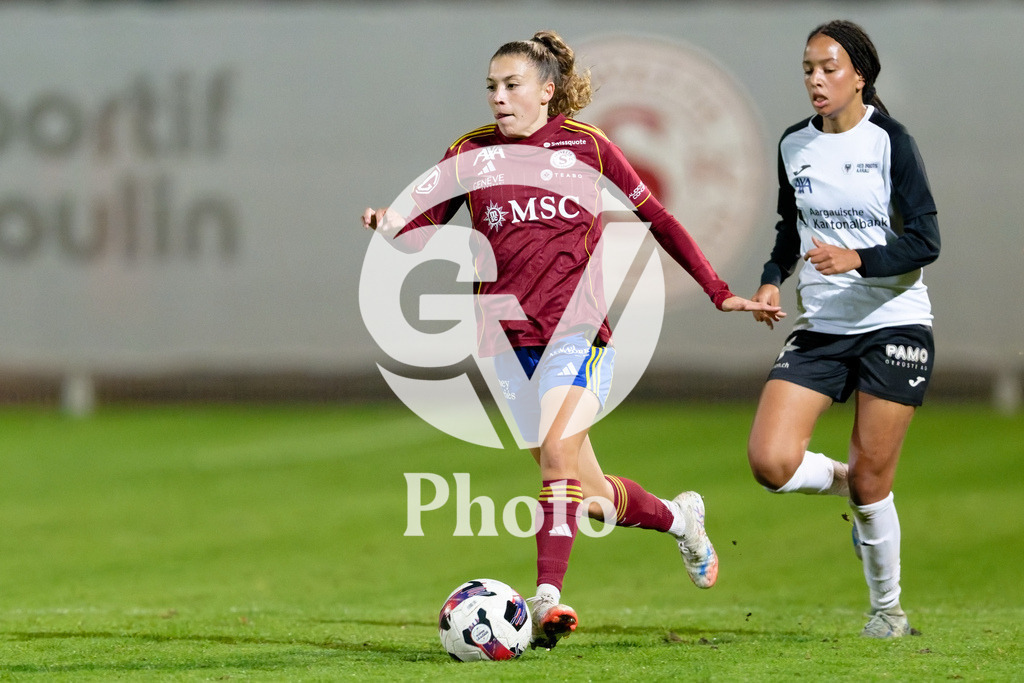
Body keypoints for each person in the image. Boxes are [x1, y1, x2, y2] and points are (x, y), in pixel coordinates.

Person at [362, 30, 783, 650]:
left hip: (576, 331)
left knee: (557, 460)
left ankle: (544, 601)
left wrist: (718, 290)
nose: (498, 98)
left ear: (546, 90)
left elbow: (658, 219)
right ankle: (681, 519)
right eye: (491, 87)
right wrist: (393, 225)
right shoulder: (468, 152)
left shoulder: (585, 145)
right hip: (503, 342)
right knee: (587, 495)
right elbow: (425, 227)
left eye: (512, 86)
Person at [747, 20, 940, 638]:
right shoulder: (793, 145)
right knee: (771, 462)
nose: (816, 80)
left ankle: (888, 612)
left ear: (861, 75)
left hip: (894, 324)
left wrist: (860, 258)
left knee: (875, 482)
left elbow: (926, 240)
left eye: (830, 68)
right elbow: (789, 229)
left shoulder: (891, 142)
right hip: (822, 327)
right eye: (808, 68)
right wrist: (773, 279)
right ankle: (842, 481)